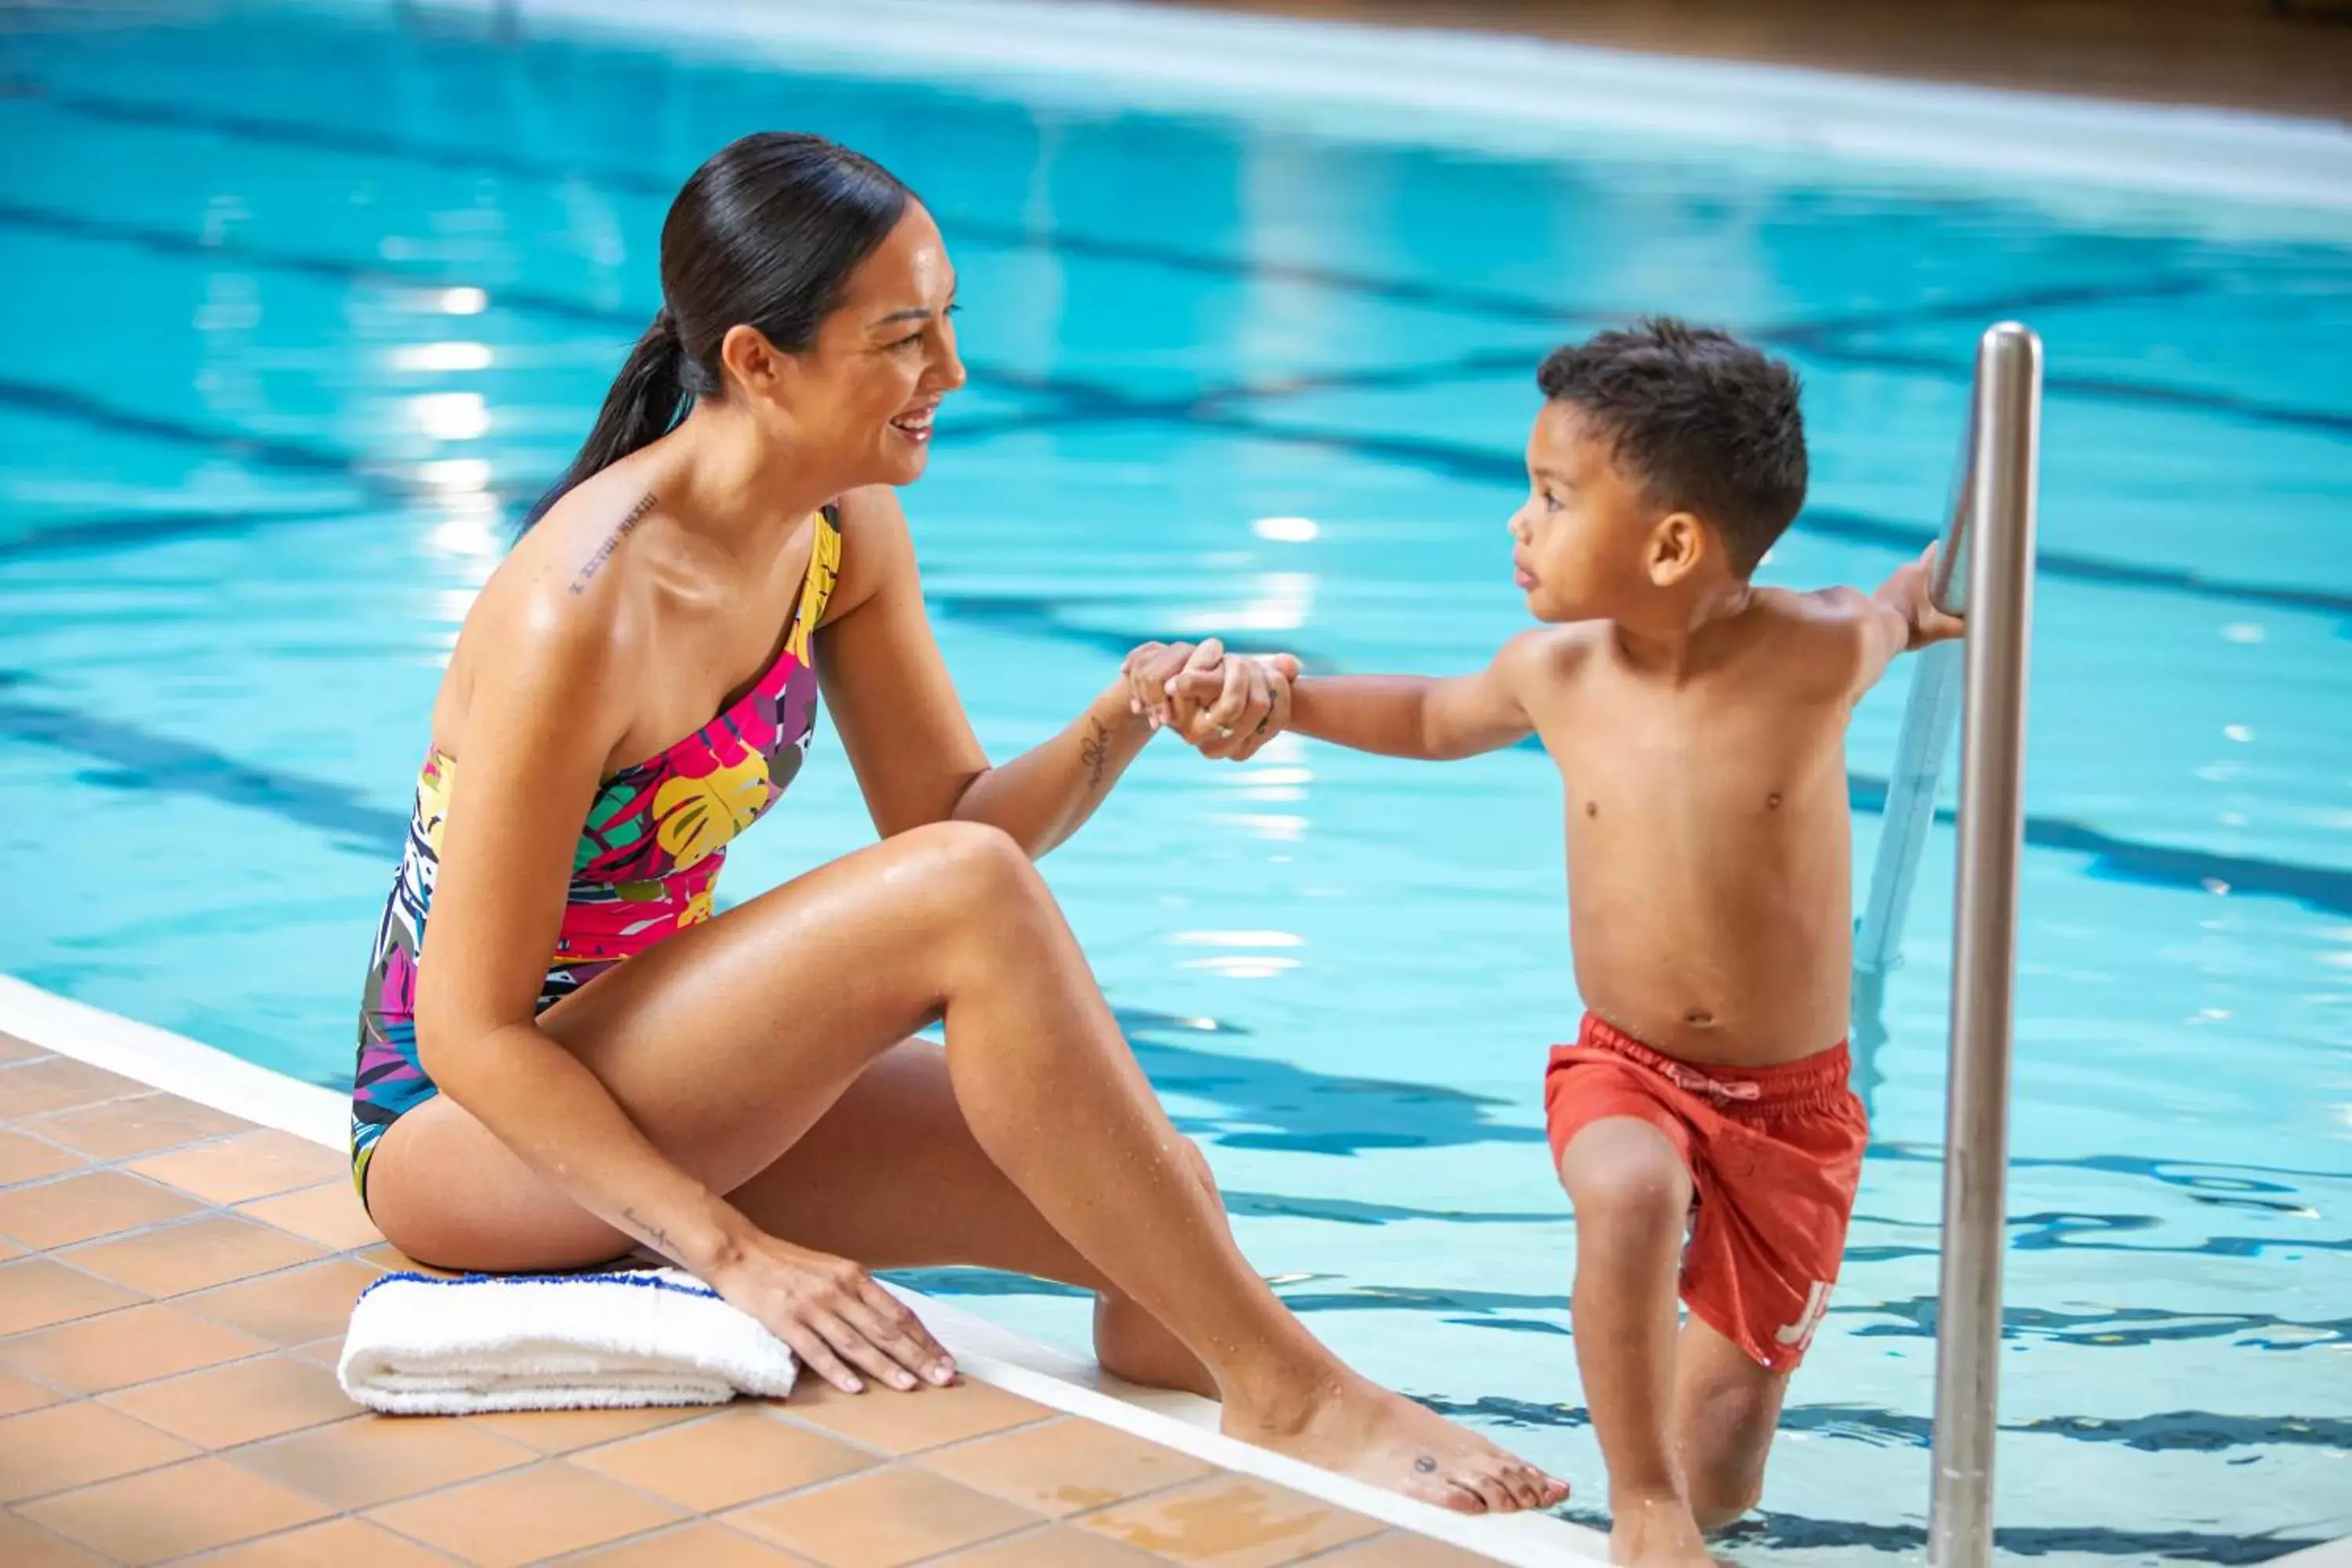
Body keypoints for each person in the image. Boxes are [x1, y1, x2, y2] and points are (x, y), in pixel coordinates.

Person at [347, 129, 1565, 1514]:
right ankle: (1298, 1396)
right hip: (465, 1142)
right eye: (905, 340)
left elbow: (949, 809)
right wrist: (732, 1251)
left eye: (947, 330)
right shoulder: (579, 609)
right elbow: (469, 1032)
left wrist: (1125, 716)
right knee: (961, 894)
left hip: (677, 1069)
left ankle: (1231, 1424)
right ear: (758, 360)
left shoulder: (838, 526)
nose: (952, 377)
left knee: (1157, 1211)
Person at [1161, 319, 1962, 1559]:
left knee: (1730, 1457)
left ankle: (1678, 1500)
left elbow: (1904, 616)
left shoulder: (1815, 651)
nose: (1516, 522)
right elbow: (1429, 716)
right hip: (1626, 1068)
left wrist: (1943, 584)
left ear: (1673, 543)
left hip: (1789, 1105)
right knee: (1630, 1192)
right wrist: (1283, 700)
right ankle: (1636, 1496)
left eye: (1550, 495)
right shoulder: (1557, 673)